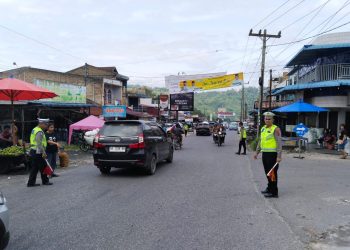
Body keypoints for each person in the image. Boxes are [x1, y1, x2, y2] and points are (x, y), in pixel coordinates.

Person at [253, 112, 282, 198]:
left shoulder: (276, 129)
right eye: (266, 118)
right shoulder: (263, 129)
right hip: (265, 154)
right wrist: (256, 152)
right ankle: (269, 188)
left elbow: (279, 143)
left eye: (269, 119)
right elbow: (260, 141)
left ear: (273, 120)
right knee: (267, 173)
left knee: (272, 173)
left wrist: (279, 156)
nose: (267, 120)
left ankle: (274, 192)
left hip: (273, 155)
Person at [27, 118, 53, 187]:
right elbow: (39, 143)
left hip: (34, 151)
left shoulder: (35, 129)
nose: (46, 126)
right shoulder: (39, 131)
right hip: (38, 151)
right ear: (41, 124)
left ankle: (31, 183)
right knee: (43, 166)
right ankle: (45, 181)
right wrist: (43, 152)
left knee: (35, 168)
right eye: (45, 124)